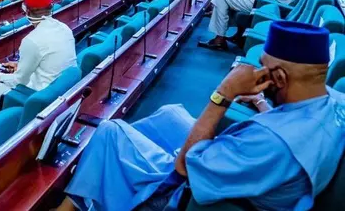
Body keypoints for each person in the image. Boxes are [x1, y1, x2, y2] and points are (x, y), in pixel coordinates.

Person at [58, 20, 345, 211]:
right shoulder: (333, 99)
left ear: (279, 77)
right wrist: (260, 101)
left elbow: (184, 167)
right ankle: (114, 175)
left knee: (110, 131)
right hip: (246, 166)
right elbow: (295, 128)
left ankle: (80, 201)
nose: (256, 72)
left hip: (187, 192)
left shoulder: (270, 143)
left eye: (262, 66)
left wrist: (223, 94)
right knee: (171, 113)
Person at [0, 0, 76, 115]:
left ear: (26, 10)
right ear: (51, 6)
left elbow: (20, 81)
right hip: (61, 87)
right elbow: (47, 61)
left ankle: (0, 126)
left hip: (41, 96)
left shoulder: (31, 40)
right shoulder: (64, 28)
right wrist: (20, 66)